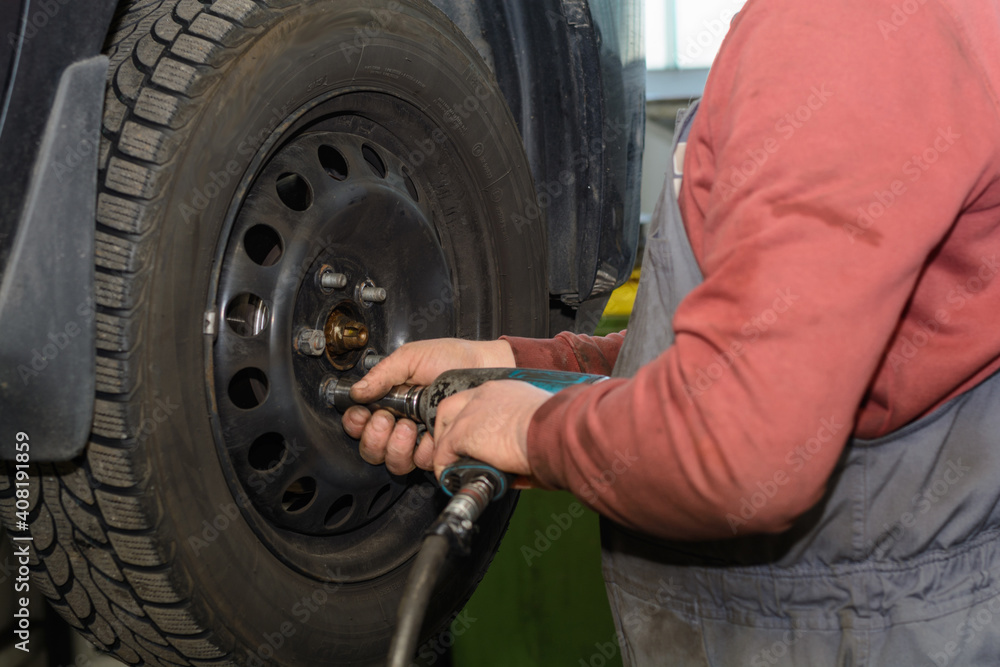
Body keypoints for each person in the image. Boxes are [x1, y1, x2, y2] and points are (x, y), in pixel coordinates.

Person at [343, 0, 1000, 664]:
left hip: (842, 633)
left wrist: (530, 432)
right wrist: (514, 366)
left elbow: (744, 443)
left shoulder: (843, 31)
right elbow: (763, 348)